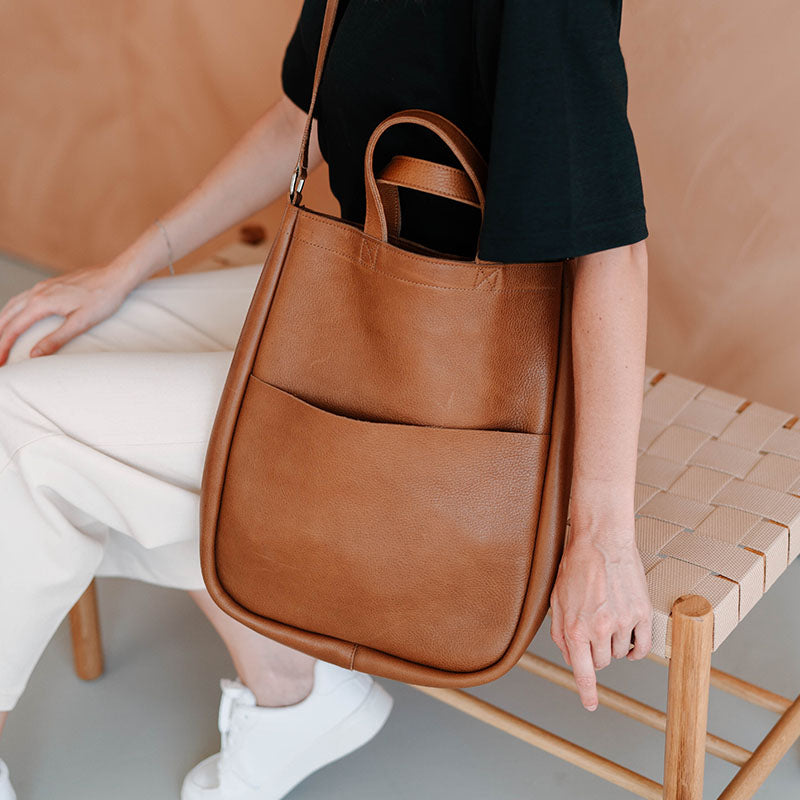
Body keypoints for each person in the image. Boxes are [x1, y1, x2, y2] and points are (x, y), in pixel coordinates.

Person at [0, 0, 654, 798]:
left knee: (15, 427)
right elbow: (297, 121)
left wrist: (603, 536)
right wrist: (124, 270)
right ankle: (291, 689)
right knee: (40, 349)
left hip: (477, 380)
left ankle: (293, 690)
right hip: (361, 289)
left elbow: (613, 252)